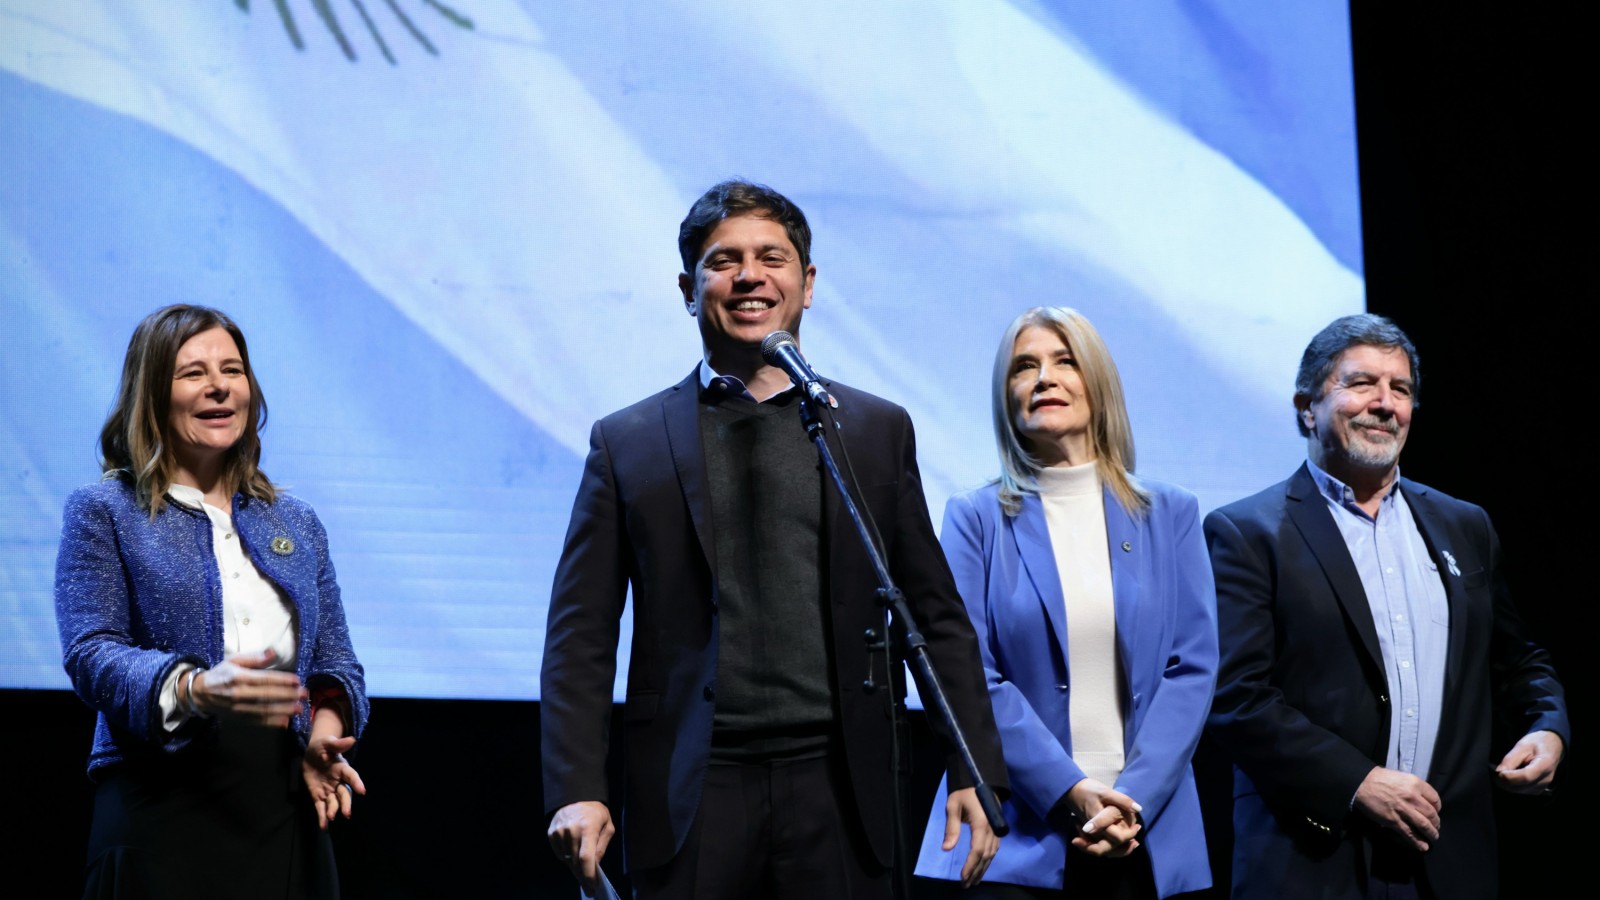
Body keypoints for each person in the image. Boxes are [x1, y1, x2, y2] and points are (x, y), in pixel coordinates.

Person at [541, 179, 1008, 899]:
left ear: (807, 283)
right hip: (691, 789)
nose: (750, 276)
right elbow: (582, 634)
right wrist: (577, 786)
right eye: (724, 261)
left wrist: (972, 766)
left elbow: (934, 615)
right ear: (689, 289)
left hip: (841, 784)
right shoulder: (628, 442)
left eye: (772, 257)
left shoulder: (874, 430)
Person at [1204, 313, 1568, 900]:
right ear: (1307, 407)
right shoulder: (1246, 532)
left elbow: (1519, 660)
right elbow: (1235, 696)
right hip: (1313, 861)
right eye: (1361, 383)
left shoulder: (1464, 525)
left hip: (1450, 865)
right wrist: (1357, 782)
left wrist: (1548, 727)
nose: (1384, 404)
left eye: (1400, 389)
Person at [55, 304, 368, 899]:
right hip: (158, 809)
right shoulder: (103, 511)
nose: (220, 386)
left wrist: (323, 729)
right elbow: (91, 653)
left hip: (283, 811)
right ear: (151, 393)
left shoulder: (296, 521)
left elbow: (336, 664)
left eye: (233, 369)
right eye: (193, 373)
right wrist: (198, 688)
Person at [914, 307, 1217, 899]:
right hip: (1017, 836)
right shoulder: (974, 518)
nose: (1043, 378)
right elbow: (968, 674)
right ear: (1008, 397)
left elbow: (1192, 668)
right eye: (1024, 367)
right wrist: (1068, 789)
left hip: (1146, 831)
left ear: (1097, 382)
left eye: (1064, 361)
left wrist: (1134, 799)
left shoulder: (1170, 513)